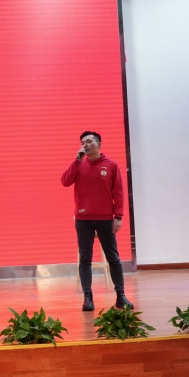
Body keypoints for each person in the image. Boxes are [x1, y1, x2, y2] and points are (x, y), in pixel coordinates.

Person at [61, 131, 135, 311]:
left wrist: (118, 216)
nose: (85, 145)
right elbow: (65, 181)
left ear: (99, 145)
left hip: (105, 218)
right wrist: (76, 161)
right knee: (85, 259)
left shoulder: (111, 165)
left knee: (113, 258)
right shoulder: (79, 164)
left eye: (89, 141)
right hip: (83, 219)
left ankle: (121, 296)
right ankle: (88, 298)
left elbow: (119, 192)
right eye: (82, 142)